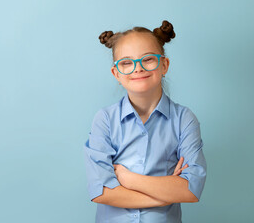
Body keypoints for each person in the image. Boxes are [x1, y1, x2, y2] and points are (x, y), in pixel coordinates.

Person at [83, 20, 207, 223]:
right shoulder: (105, 119)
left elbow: (190, 190)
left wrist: (129, 179)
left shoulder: (184, 119)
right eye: (126, 62)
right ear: (116, 73)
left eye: (148, 59)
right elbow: (102, 191)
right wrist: (165, 194)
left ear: (164, 65)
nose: (138, 68)